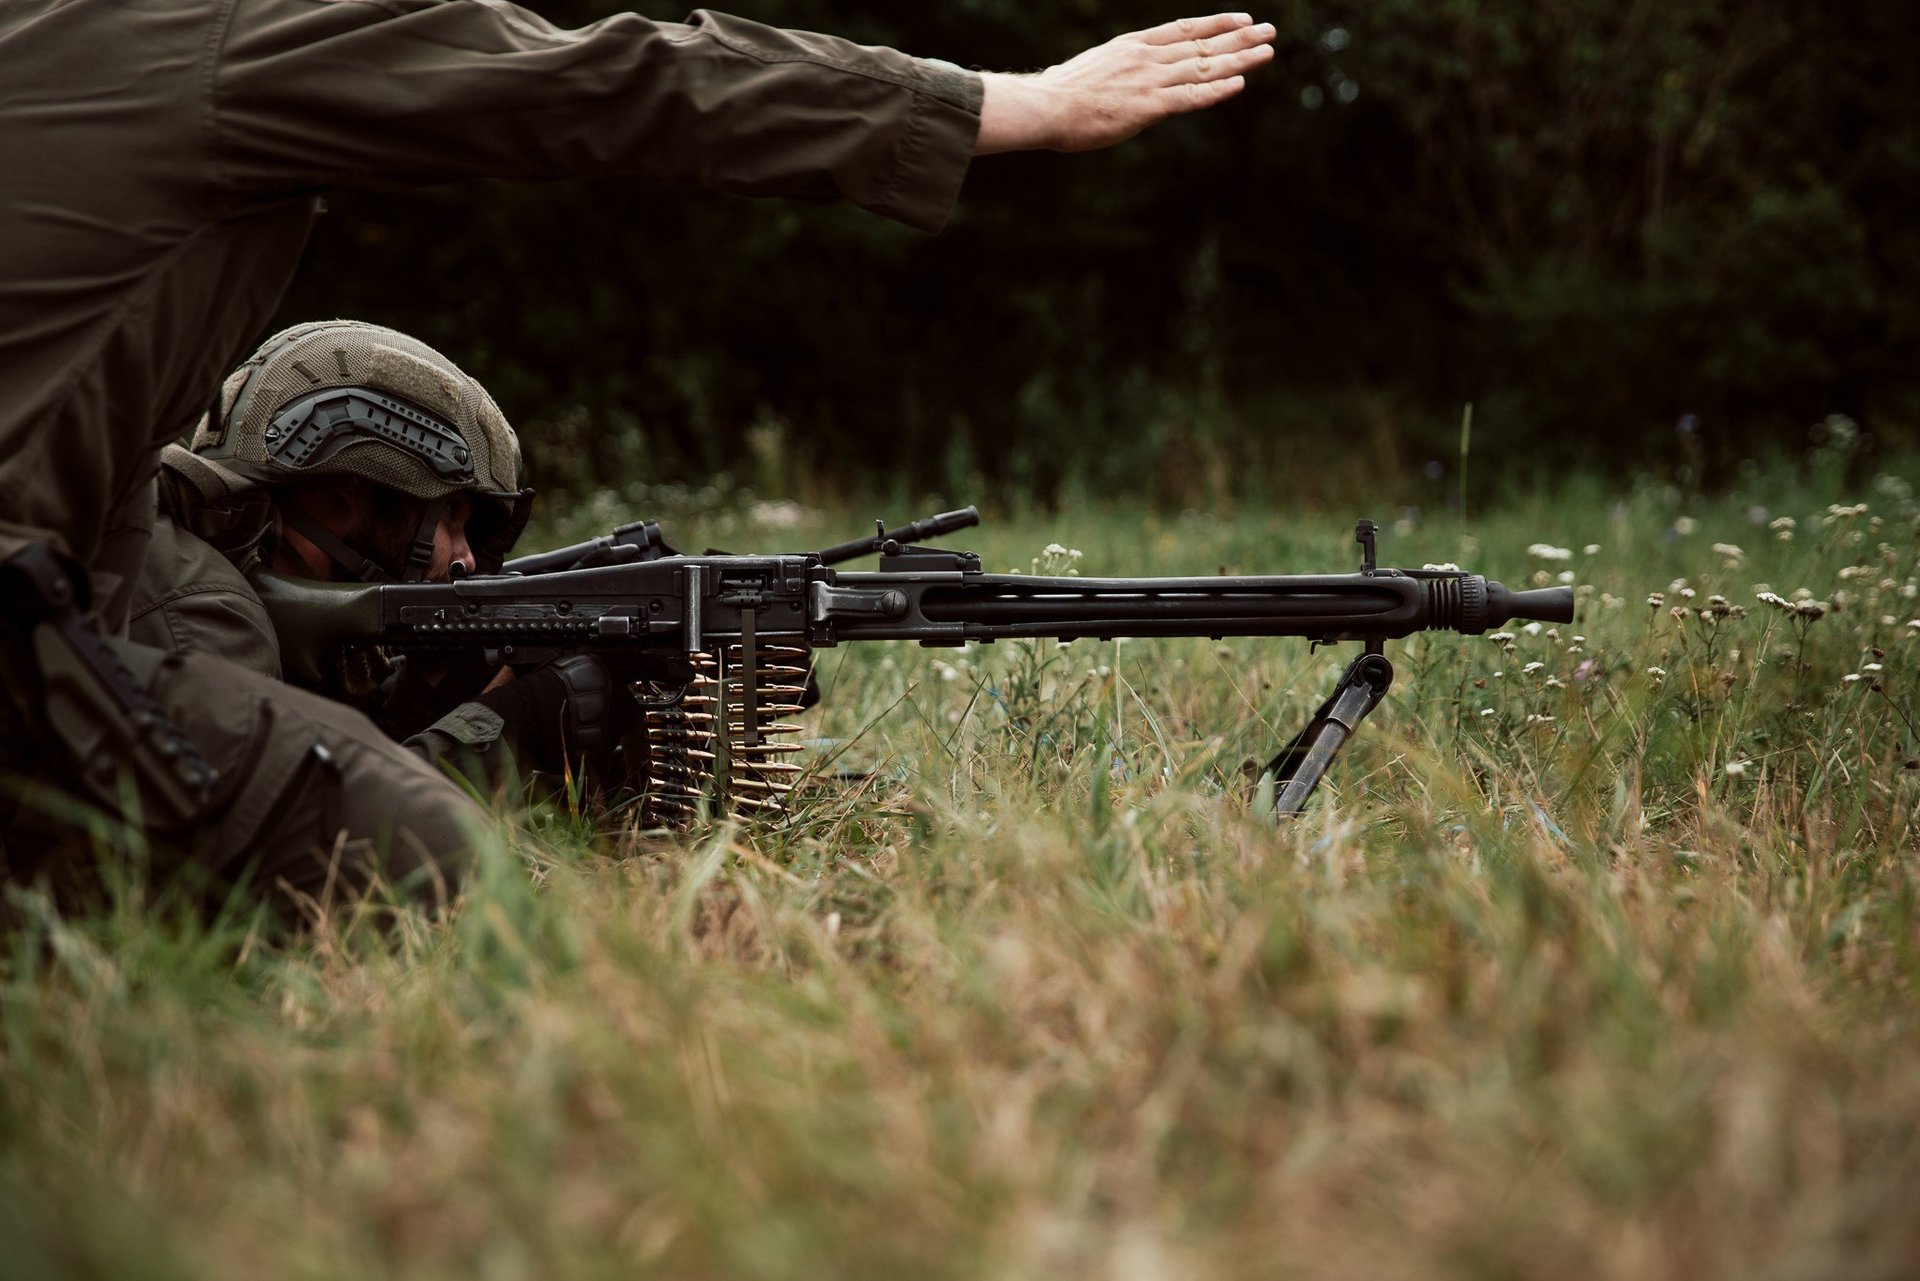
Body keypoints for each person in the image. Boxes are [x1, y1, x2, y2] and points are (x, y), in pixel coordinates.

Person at [0, 1, 1277, 909]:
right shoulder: (216, 32)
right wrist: (1002, 106)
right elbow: (604, 83)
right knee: (443, 871)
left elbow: (109, 551)